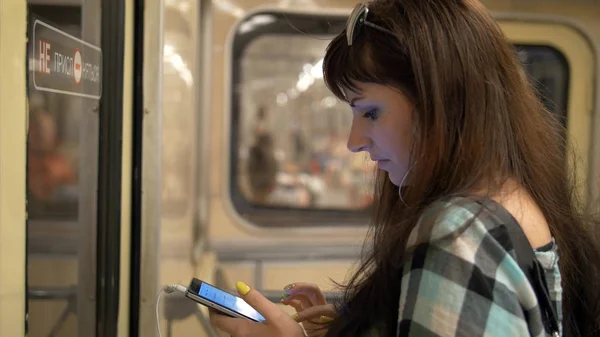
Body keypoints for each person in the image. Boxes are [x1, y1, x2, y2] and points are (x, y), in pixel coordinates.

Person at [209, 0, 600, 336]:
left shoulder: (460, 234)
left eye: (371, 112)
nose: (354, 140)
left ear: (441, 103)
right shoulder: (514, 199)